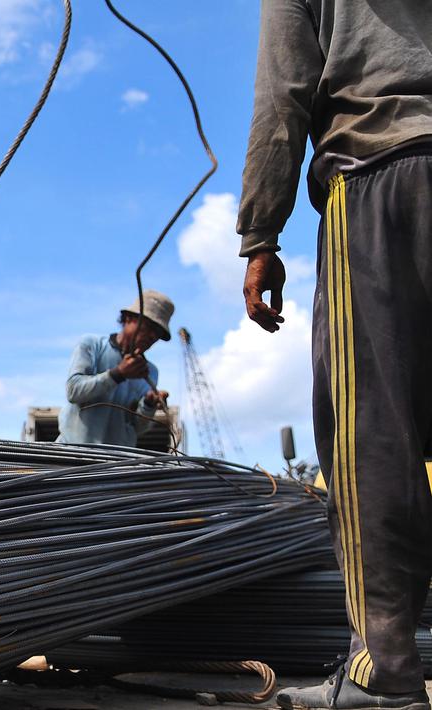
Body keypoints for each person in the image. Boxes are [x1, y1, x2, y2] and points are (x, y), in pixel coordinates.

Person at [237, 2, 432, 708]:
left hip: (378, 169)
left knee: (370, 437)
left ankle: (381, 673)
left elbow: (283, 86)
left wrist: (260, 233)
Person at [56, 289, 172, 448]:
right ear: (129, 318)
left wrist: (149, 404)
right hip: (73, 454)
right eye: (149, 327)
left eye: (158, 334)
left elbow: (137, 427)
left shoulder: (150, 372)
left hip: (115, 465)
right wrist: (118, 374)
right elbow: (74, 391)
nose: (152, 337)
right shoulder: (92, 345)